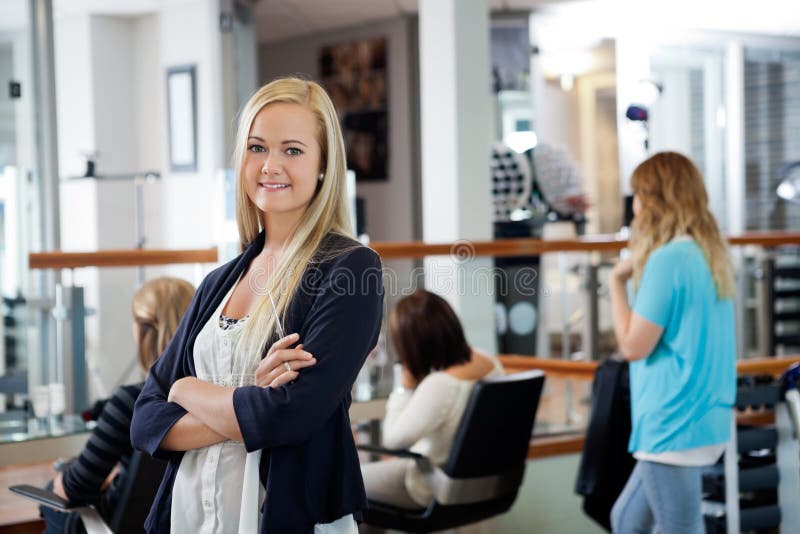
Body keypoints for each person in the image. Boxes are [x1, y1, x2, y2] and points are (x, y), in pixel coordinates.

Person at [130, 77, 384, 534]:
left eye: (292, 150)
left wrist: (187, 390)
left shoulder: (351, 270)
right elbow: (146, 418)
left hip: (284, 515)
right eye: (257, 147)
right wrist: (252, 397)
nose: (270, 165)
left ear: (325, 165)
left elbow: (290, 416)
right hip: (192, 515)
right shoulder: (218, 282)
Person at [608, 152, 736, 533]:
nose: (634, 205)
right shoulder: (708, 255)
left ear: (655, 200)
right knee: (625, 521)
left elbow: (633, 346)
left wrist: (616, 283)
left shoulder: (668, 261)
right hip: (701, 414)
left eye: (638, 195)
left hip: (672, 422)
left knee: (680, 526)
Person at [41, 277, 195, 533]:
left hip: (114, 526)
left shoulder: (132, 403)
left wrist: (59, 481)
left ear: (143, 330)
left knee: (50, 498)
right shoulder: (208, 401)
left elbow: (73, 489)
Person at [360, 290, 503, 511]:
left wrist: (404, 386)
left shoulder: (441, 385)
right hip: (482, 482)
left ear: (414, 346)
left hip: (431, 484)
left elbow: (393, 440)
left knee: (347, 485)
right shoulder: (489, 362)